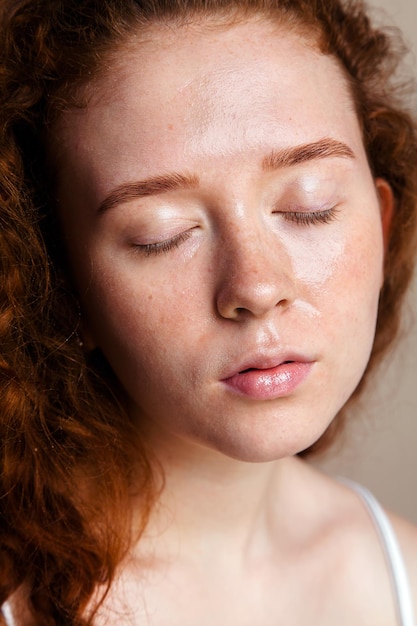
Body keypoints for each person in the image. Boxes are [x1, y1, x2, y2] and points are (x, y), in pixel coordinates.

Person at [0, 0, 417, 623]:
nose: (255, 285)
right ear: (63, 289)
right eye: (160, 234)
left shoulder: (404, 572)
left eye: (310, 206)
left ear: (381, 227)